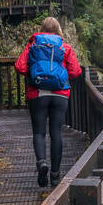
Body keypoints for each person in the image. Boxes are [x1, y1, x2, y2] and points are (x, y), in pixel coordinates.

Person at [14, 17, 82, 187]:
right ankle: (55, 174)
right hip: (60, 94)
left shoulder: (33, 44)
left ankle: (42, 163)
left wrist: (34, 72)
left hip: (37, 93)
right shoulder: (64, 46)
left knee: (39, 132)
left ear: (42, 28)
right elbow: (75, 71)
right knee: (56, 132)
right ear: (58, 29)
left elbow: (20, 66)